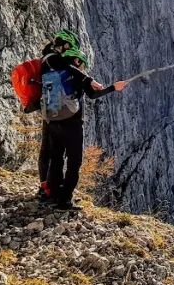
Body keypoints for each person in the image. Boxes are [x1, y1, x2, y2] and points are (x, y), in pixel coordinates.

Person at [41, 47, 137, 210]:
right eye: (83, 63)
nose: (84, 68)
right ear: (77, 61)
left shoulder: (53, 71)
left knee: (56, 159)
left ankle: (54, 196)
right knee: (74, 162)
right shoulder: (78, 76)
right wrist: (114, 87)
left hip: (53, 122)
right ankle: (65, 200)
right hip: (73, 125)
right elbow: (93, 94)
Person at [23, 29, 81, 204]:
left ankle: (48, 189)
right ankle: (48, 190)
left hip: (49, 109)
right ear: (65, 44)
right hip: (54, 112)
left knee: (50, 151)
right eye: (69, 47)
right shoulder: (53, 58)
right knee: (50, 152)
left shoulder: (47, 58)